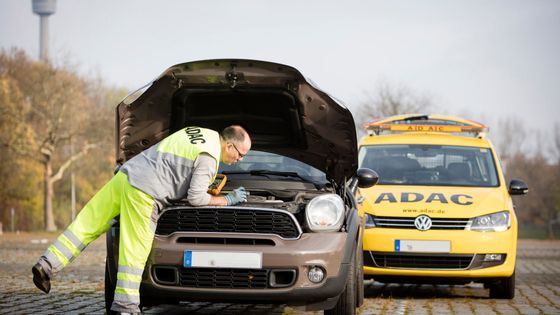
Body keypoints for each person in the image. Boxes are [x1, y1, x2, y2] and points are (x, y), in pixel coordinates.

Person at [32, 125, 251, 314]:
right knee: (135, 251)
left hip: (126, 176)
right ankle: (126, 307)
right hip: (145, 193)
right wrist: (227, 199)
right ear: (229, 145)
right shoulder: (210, 156)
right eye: (240, 154)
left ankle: (46, 265)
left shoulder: (198, 132)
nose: (240, 159)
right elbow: (196, 198)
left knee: (87, 223)